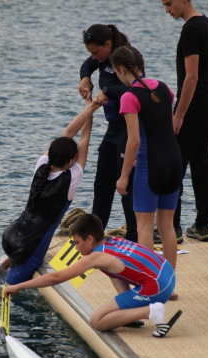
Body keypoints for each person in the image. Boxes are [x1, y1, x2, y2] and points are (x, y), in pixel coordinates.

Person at [4, 213, 181, 338]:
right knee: (113, 271)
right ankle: (131, 313)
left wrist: (18, 286)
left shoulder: (96, 257)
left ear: (89, 239)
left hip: (157, 289)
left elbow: (56, 278)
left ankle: (150, 311)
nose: (75, 247)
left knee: (97, 321)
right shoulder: (114, 240)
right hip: (167, 274)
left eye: (77, 243)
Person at [0, 96, 102, 284]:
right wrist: (91, 109)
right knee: (7, 290)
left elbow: (68, 132)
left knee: (22, 249)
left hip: (11, 235)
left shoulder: (42, 165)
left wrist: (90, 107)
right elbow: (84, 140)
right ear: (70, 162)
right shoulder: (70, 179)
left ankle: (0, 267)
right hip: (32, 248)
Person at [108, 45, 182, 272]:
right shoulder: (163, 88)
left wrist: (123, 177)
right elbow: (168, 128)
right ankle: (169, 285)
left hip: (150, 167)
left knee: (145, 228)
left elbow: (134, 141)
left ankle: (151, 284)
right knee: (167, 227)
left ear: (121, 69)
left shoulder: (129, 97)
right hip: (174, 162)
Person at [161, 0, 208, 243]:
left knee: (175, 161)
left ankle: (172, 226)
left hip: (194, 103)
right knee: (202, 161)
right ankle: (203, 224)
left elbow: (191, 77)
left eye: (169, 3)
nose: (167, 9)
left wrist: (179, 114)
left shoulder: (191, 29)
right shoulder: (207, 24)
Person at [78, 24, 138, 243]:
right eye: (91, 53)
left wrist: (106, 91)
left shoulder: (125, 58)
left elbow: (134, 88)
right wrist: (86, 76)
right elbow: (89, 64)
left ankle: (134, 237)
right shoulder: (102, 57)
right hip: (113, 128)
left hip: (129, 127)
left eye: (96, 52)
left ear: (108, 44)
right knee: (102, 183)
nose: (95, 57)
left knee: (125, 186)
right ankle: (94, 236)